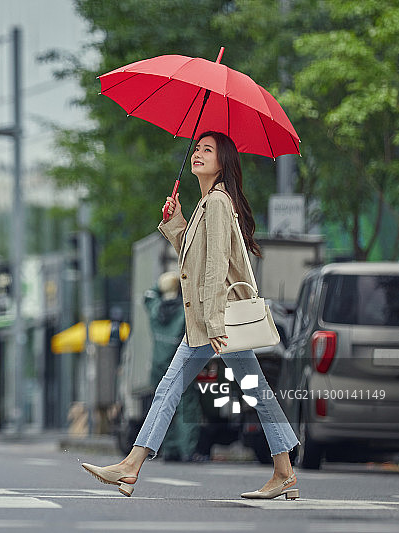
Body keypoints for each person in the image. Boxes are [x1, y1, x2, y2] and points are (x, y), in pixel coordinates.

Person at [81, 131, 299, 499]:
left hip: (215, 320)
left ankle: (131, 465)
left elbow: (216, 265)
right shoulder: (206, 204)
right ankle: (284, 473)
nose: (198, 154)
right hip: (213, 319)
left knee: (173, 387)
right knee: (253, 391)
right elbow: (195, 255)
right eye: (197, 148)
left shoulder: (216, 202)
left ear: (222, 162)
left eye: (207, 150)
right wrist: (176, 222)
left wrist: (213, 321)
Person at [146, 271, 200, 462]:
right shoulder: (184, 310)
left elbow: (149, 294)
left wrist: (164, 281)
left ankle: (169, 449)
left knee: (163, 405)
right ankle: (188, 450)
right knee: (186, 407)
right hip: (178, 364)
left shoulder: (154, 309)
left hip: (157, 365)